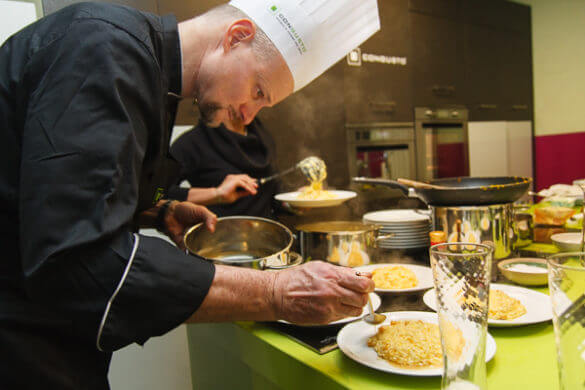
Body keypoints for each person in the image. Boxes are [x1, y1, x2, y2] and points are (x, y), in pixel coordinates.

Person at [0, 0, 380, 388]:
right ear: (237, 37)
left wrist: (155, 211)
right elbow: (78, 261)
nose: (248, 115)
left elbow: (52, 190)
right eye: (258, 90)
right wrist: (277, 291)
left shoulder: (149, 75)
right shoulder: (102, 47)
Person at [168, 117, 279, 218]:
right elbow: (158, 193)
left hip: (266, 232)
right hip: (219, 234)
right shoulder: (192, 142)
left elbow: (272, 190)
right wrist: (216, 194)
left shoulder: (261, 134)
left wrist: (291, 200)